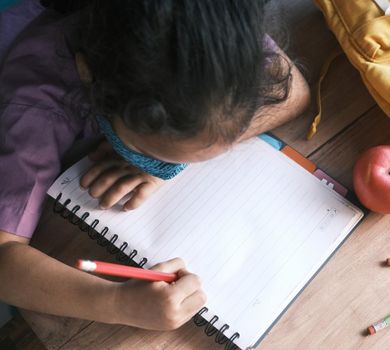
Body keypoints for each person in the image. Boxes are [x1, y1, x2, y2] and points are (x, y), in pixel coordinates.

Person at [0, 0, 310, 330]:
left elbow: (295, 95)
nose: (165, 166)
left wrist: (161, 167)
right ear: (90, 76)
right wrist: (119, 304)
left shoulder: (217, 34)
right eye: (149, 153)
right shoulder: (38, 107)